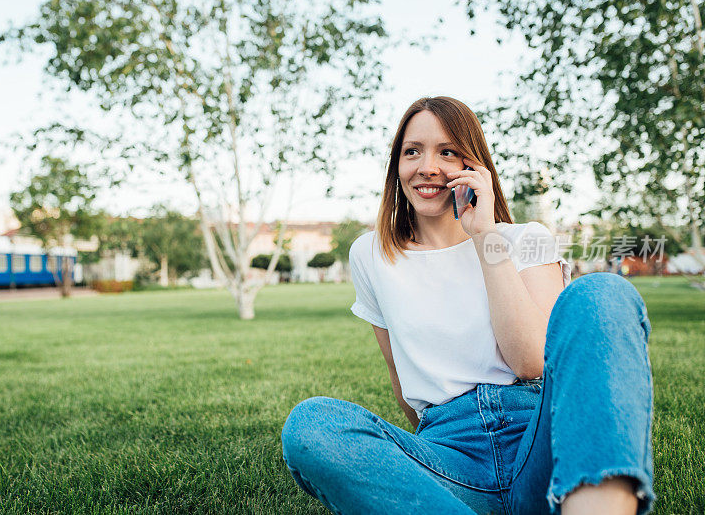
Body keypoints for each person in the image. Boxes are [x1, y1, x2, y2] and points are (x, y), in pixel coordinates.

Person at [280, 96, 654, 515]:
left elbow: (531, 362)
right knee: (313, 423)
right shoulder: (370, 255)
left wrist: (485, 235)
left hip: (540, 442)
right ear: (396, 167)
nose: (427, 167)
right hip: (449, 458)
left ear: (475, 166)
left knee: (603, 292)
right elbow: (399, 379)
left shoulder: (525, 238)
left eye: (448, 152)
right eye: (412, 152)